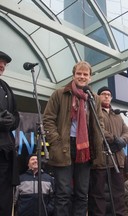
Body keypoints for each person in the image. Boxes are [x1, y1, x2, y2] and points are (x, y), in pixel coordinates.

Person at [43, 61, 104, 216]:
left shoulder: (94, 98)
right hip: (64, 145)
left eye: (85, 74)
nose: (82, 77)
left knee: (82, 194)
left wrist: (97, 142)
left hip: (85, 149)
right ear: (73, 75)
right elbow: (48, 119)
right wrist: (56, 141)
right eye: (79, 73)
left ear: (90, 78)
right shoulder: (60, 93)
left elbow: (100, 123)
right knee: (63, 193)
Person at [88, 86, 128, 216]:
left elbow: (127, 131)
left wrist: (122, 140)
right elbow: (97, 129)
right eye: (104, 94)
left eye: (109, 94)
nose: (107, 96)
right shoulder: (94, 111)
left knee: (118, 194)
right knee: (98, 195)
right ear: (98, 96)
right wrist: (114, 139)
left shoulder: (117, 114)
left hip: (117, 160)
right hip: (100, 160)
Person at [0, 51, 20, 216]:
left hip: (5, 153)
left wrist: (11, 121)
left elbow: (16, 116)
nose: (2, 65)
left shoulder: (6, 88)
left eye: (4, 64)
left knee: (4, 199)